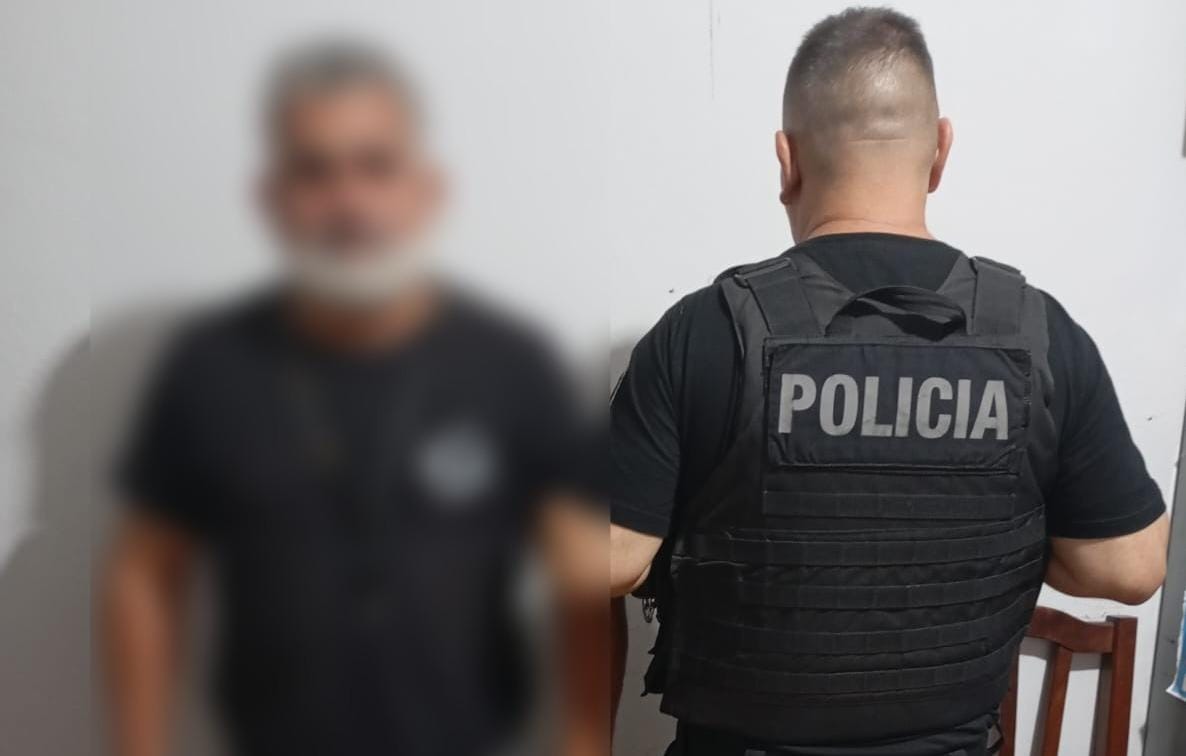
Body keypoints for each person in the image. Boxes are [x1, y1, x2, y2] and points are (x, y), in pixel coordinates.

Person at [609, 8, 1169, 756]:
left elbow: (607, 559)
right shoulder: (1039, 334)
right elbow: (1131, 568)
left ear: (786, 160)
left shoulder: (704, 330)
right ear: (940, 151)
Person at [101, 39, 606, 756]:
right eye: (315, 172)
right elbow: (145, 571)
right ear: (273, 197)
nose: (349, 203)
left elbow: (582, 583)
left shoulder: (512, 365)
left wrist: (584, 749)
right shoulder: (211, 367)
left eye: (376, 166)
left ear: (425, 187)